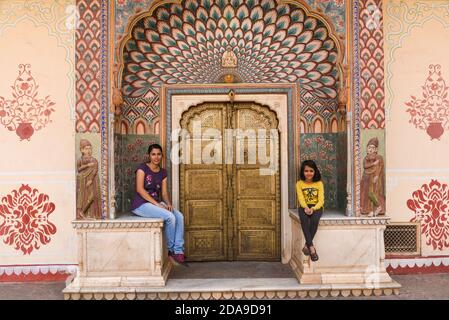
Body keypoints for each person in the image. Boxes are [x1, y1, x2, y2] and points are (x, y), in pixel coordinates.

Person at [130, 143, 186, 265]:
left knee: (179, 216)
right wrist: (157, 204)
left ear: (162, 156)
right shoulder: (142, 168)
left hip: (155, 203)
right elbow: (140, 189)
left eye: (159, 154)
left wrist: (168, 203)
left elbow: (164, 193)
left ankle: (179, 251)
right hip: (141, 204)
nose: (156, 157)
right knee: (170, 217)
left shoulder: (163, 172)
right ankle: (171, 250)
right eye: (153, 154)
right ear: (149, 155)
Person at [296, 160, 324, 262]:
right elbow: (301, 198)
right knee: (304, 221)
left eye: (311, 171)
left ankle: (306, 246)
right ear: (303, 172)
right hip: (304, 207)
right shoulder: (299, 184)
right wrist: (306, 207)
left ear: (315, 171)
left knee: (314, 221)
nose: (308, 173)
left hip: (317, 207)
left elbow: (321, 200)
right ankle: (312, 248)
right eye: (306, 171)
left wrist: (313, 208)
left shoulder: (319, 183)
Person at [76, 139, 101, 220]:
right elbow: (79, 169)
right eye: (86, 149)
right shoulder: (80, 160)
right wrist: (87, 165)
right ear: (82, 150)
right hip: (82, 181)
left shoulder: (94, 160)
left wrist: (90, 179)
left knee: (93, 196)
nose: (89, 150)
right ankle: (81, 213)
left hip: (92, 181)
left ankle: (83, 212)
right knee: (82, 197)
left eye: (90, 148)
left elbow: (95, 170)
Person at [360, 137, 385, 216]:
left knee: (372, 193)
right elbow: (365, 166)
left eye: (373, 148)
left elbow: (379, 167)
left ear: (376, 149)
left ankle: (377, 207)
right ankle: (369, 210)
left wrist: (377, 176)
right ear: (367, 149)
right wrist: (373, 164)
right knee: (366, 194)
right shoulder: (366, 158)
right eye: (369, 147)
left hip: (374, 179)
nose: (371, 149)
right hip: (366, 178)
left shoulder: (379, 158)